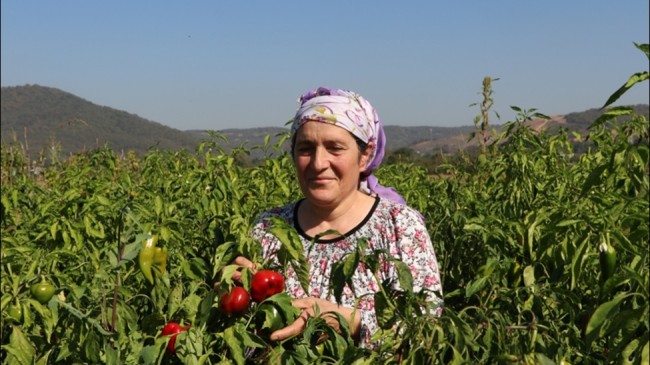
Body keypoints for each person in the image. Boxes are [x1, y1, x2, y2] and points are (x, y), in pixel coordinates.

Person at [231, 86, 443, 348]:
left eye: (335, 148)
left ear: (364, 156)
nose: (318, 163)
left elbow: (425, 329)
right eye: (306, 148)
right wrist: (236, 295)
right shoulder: (269, 227)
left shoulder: (400, 225)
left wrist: (351, 322)